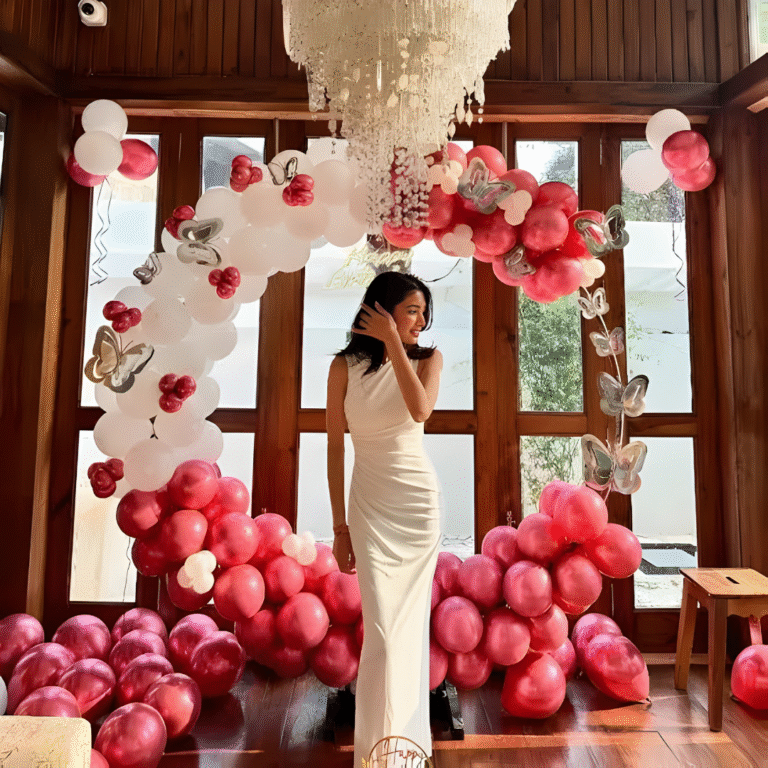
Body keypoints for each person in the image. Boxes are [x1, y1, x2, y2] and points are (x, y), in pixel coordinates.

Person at [326, 271, 444, 768]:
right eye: (411, 310)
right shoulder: (342, 366)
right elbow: (334, 449)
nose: (421, 320)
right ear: (381, 309)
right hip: (369, 506)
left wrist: (396, 341)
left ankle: (406, 753)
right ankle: (377, 755)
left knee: (409, 633)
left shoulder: (429, 359)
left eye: (423, 312)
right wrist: (339, 529)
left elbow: (419, 411)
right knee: (382, 633)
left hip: (417, 507)